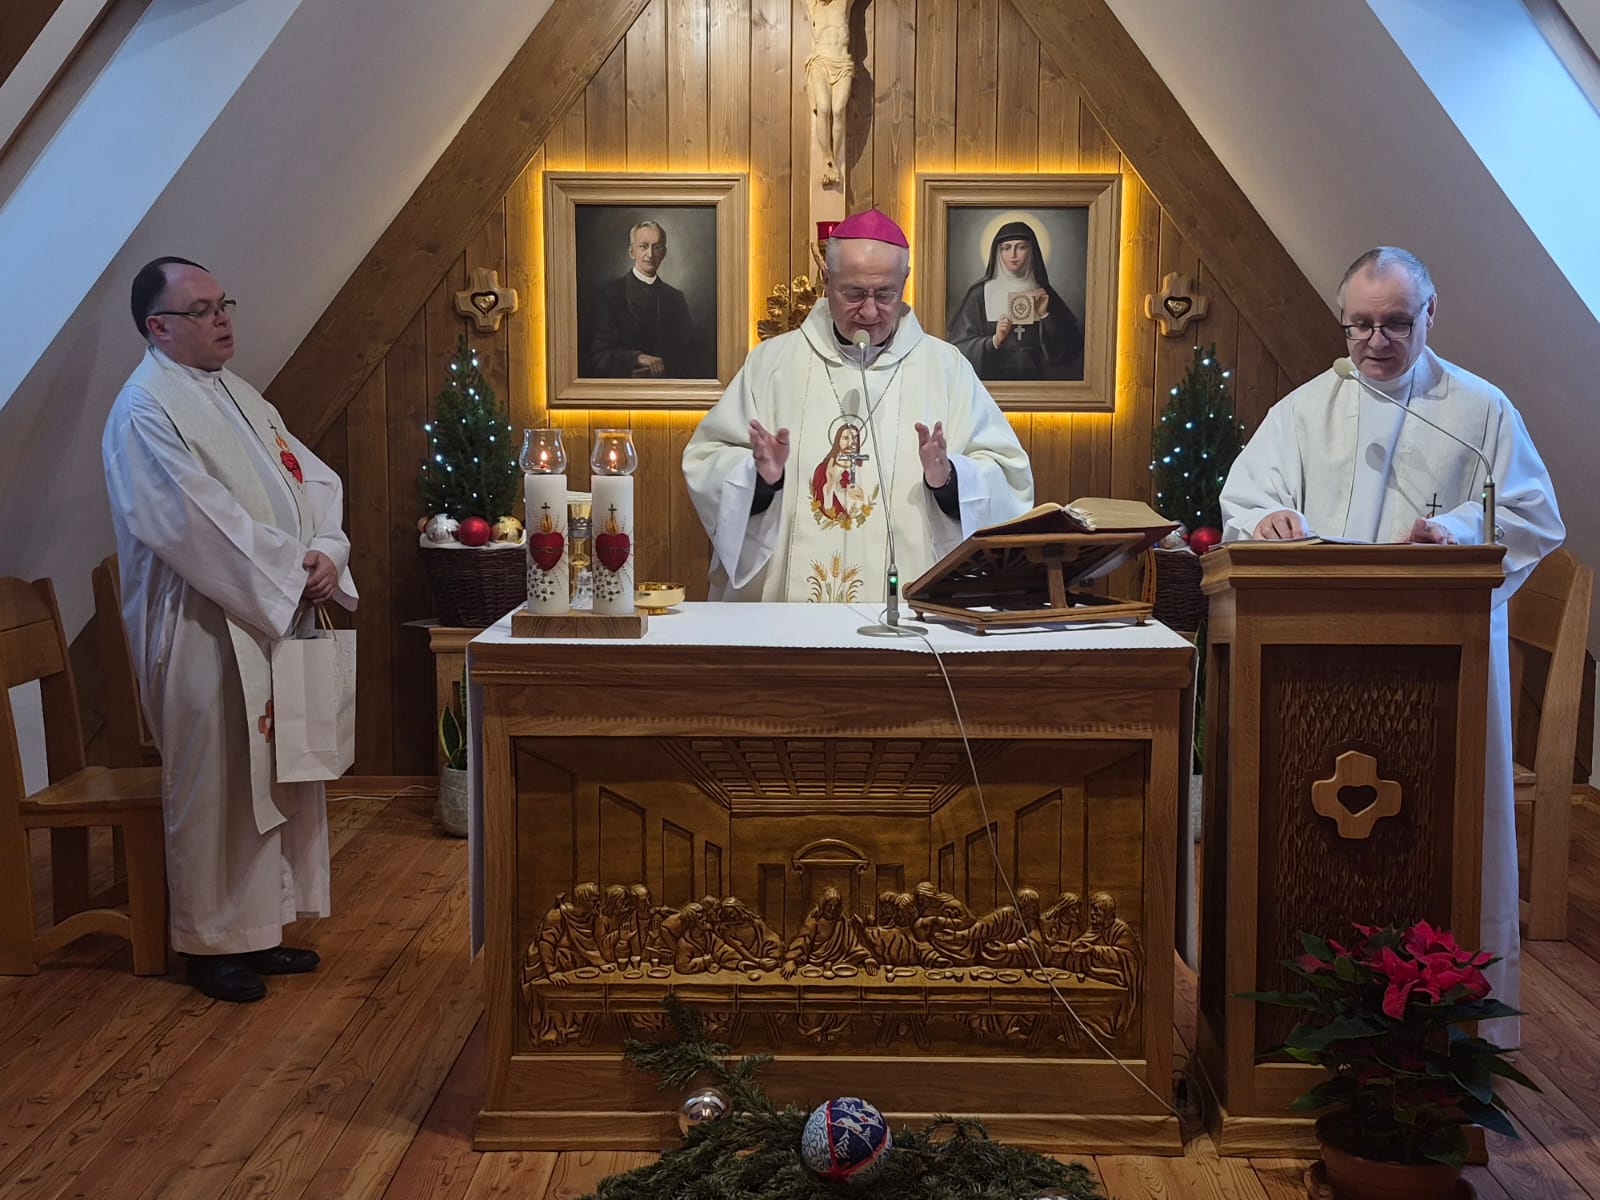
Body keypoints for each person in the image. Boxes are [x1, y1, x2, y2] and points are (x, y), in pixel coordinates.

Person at [1219, 246, 1565, 1043]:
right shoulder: (1305, 410)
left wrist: (1456, 531)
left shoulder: (1479, 410)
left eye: (1396, 323)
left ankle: (1454, 1031)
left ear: (1431, 314)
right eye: (1360, 325)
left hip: (1442, 665)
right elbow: (1247, 498)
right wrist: (1268, 519)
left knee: (1439, 833)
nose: (1375, 342)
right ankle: (1306, 1011)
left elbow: (1532, 514)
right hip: (1317, 666)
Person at [102, 256, 358, 1003]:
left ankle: (261, 928)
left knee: (271, 776)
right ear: (159, 327)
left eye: (224, 304)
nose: (222, 319)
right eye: (203, 309)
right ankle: (209, 945)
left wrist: (326, 551)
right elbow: (192, 520)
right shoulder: (145, 409)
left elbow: (313, 480)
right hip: (201, 627)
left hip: (267, 612)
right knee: (217, 785)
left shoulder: (238, 393)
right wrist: (290, 571)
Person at [682, 208, 1033, 602]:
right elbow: (706, 460)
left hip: (908, 609)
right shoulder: (773, 364)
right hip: (788, 615)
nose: (869, 312)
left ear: (905, 281)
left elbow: (1009, 477)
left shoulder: (945, 368)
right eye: (853, 294)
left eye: (884, 295)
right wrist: (761, 480)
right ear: (827, 280)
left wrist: (949, 480)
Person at [947, 220, 1083, 381]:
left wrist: (1045, 316)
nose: (1013, 255)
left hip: (1038, 384)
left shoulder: (1044, 293)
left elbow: (1071, 348)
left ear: (1032, 251)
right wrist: (994, 340)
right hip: (993, 383)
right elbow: (957, 348)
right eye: (1006, 248)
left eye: (1021, 247)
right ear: (997, 252)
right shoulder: (979, 294)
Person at [583, 220, 704, 378]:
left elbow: (690, 357)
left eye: (657, 247)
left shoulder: (675, 298)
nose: (650, 254)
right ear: (631, 251)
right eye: (643, 246)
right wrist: (636, 358)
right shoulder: (608, 295)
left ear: (664, 253)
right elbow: (597, 357)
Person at [804, 0, 853, 187]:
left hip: (842, 63)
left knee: (839, 109)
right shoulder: (813, 4)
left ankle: (835, 159)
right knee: (823, 108)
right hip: (820, 62)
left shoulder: (844, 2)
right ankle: (828, 160)